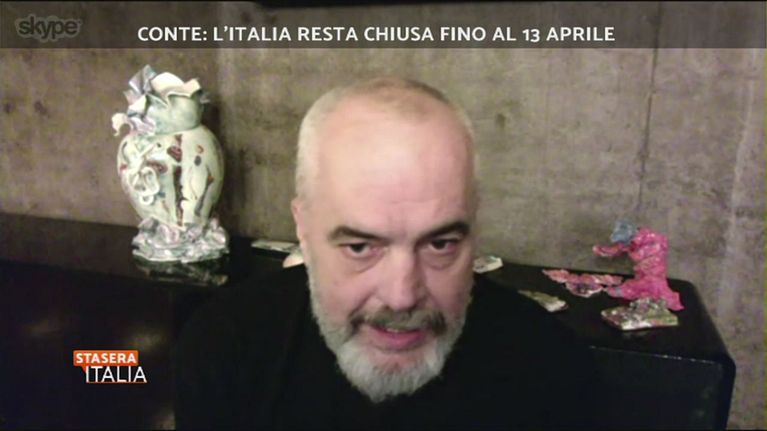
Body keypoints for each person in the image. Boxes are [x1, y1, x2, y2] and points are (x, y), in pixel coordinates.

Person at [175, 77, 597, 429]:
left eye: (440, 244)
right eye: (360, 247)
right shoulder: (226, 349)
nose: (402, 297)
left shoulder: (550, 366)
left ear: (474, 229)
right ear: (303, 229)